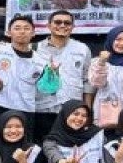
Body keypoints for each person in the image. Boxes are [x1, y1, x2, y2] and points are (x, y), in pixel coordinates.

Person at [33, 10, 93, 145]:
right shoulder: (35, 49)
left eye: (67, 23)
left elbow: (87, 81)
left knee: (68, 152)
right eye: (57, 22)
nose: (62, 25)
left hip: (72, 113)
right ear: (48, 26)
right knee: (43, 151)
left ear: (72, 27)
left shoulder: (82, 49)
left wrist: (87, 111)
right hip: (43, 110)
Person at [0, 14, 44, 139]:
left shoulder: (42, 61)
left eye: (26, 28)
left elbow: (48, 89)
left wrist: (54, 75)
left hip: (25, 110)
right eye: (17, 28)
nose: (22, 31)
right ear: (8, 32)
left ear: (33, 33)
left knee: (22, 149)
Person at [88, 25, 123, 135]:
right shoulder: (98, 61)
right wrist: (101, 63)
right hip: (105, 113)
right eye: (118, 39)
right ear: (111, 40)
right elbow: (98, 83)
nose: (121, 44)